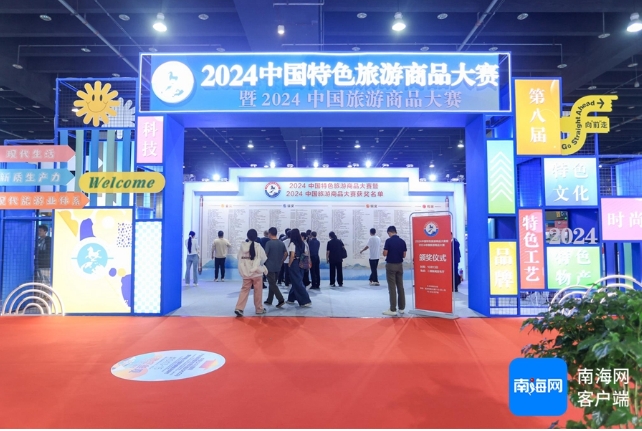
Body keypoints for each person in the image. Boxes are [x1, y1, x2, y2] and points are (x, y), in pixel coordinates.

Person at [234, 229, 268, 316]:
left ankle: (239, 308)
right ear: (256, 237)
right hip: (257, 273)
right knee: (258, 291)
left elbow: (239, 257)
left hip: (246, 273)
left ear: (247, 236)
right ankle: (259, 309)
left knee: (244, 290)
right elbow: (263, 258)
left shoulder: (243, 246)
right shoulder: (258, 246)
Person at [382, 225, 407, 316]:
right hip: (400, 265)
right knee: (400, 286)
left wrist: (384, 252)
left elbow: (385, 253)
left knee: (392, 288)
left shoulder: (388, 241)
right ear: (396, 231)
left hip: (391, 266)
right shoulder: (402, 241)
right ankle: (401, 308)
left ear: (389, 232)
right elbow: (404, 255)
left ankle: (393, 309)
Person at [286, 228, 312, 307]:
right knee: (297, 281)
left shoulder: (292, 243)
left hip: (294, 264)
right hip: (301, 263)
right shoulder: (303, 243)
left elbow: (292, 256)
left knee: (297, 282)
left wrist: (289, 264)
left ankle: (306, 300)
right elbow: (306, 253)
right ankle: (291, 298)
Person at [263, 227, 288, 307]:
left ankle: (281, 299)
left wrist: (262, 263)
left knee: (272, 284)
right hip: (278, 266)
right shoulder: (281, 243)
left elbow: (265, 254)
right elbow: (286, 253)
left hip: (269, 266)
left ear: (270, 233)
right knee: (273, 283)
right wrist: (282, 261)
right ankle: (269, 300)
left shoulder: (269, 243)